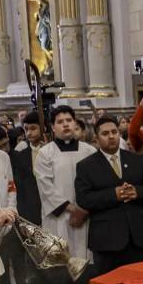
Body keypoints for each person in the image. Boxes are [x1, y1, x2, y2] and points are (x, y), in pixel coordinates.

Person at [75, 116, 143, 274]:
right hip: (107, 241)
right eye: (105, 133)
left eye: (114, 132)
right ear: (96, 138)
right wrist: (113, 194)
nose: (111, 136)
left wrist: (137, 192)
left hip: (139, 238)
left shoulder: (136, 160)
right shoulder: (86, 166)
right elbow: (83, 199)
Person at [36, 105, 98, 259]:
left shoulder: (90, 151)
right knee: (62, 262)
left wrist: (85, 210)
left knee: (87, 260)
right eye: (60, 122)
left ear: (75, 123)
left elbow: (97, 184)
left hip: (86, 215)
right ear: (53, 127)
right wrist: (72, 208)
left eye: (69, 120)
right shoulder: (45, 153)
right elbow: (46, 188)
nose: (65, 124)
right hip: (59, 216)